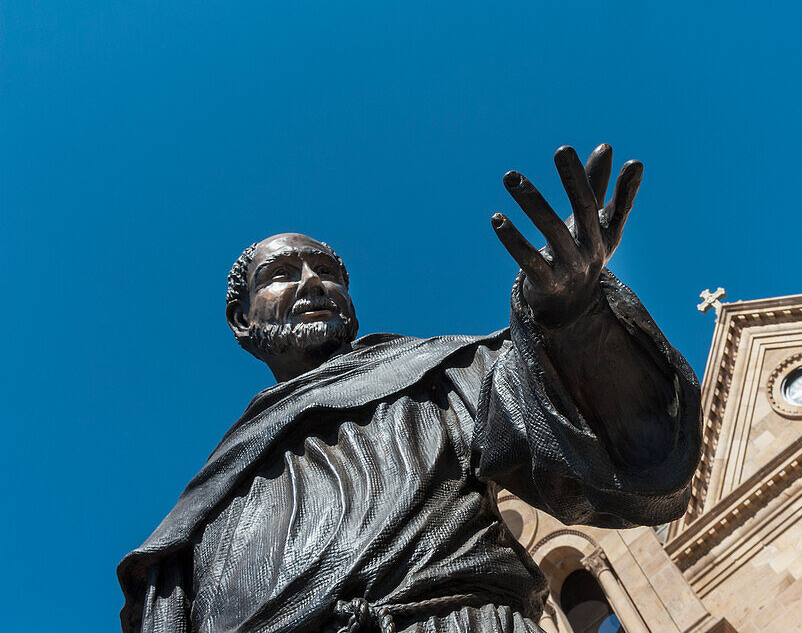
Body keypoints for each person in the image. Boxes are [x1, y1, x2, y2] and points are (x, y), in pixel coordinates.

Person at [118, 145, 701, 633]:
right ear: (242, 322)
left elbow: (627, 456)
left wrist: (575, 319)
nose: (312, 283)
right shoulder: (199, 515)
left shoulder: (442, 373)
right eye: (281, 275)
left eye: (327, 272)